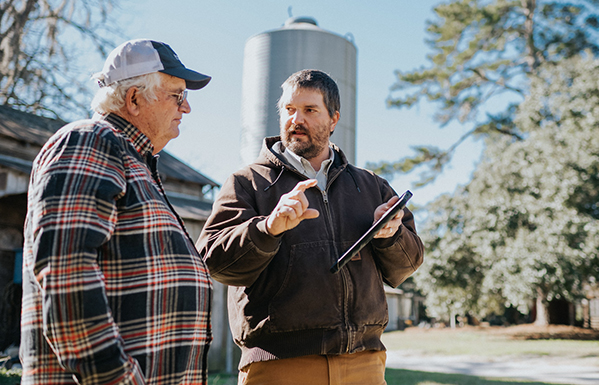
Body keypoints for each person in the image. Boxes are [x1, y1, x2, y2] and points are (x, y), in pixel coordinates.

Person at [197, 69, 424, 385]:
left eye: (309, 110)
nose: (295, 119)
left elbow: (408, 264)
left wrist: (391, 235)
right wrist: (267, 229)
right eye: (289, 110)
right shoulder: (247, 183)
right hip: (280, 366)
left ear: (334, 119)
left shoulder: (371, 186)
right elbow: (214, 261)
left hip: (364, 365)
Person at [21, 39, 213, 384]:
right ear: (134, 99)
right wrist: (114, 378)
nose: (186, 109)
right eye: (177, 95)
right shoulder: (90, 141)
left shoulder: (136, 163)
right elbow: (67, 271)